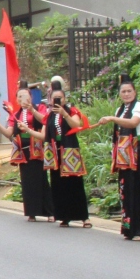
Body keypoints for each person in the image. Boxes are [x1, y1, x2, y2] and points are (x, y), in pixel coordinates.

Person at [98, 75, 140, 240]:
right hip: (124, 155)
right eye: (123, 91)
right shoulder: (120, 109)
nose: (126, 94)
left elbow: (132, 123)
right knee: (126, 189)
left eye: (129, 91)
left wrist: (111, 118)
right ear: (120, 94)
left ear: (135, 92)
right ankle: (131, 229)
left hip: (137, 151)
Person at [0, 89, 53, 221]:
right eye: (19, 97)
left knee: (42, 180)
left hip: (37, 149)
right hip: (23, 151)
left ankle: (48, 211)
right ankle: (31, 212)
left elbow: (45, 120)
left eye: (25, 96)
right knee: (27, 182)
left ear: (30, 97)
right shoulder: (15, 114)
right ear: (17, 100)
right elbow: (9, 133)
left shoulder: (40, 108)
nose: (23, 99)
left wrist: (32, 110)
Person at [44, 81, 91, 228]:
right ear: (51, 100)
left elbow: (76, 125)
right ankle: (64, 216)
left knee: (75, 184)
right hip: (55, 152)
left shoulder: (72, 111)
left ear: (64, 99)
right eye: (54, 98)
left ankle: (84, 217)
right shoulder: (50, 115)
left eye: (60, 98)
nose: (57, 100)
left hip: (69, 151)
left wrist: (64, 114)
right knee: (58, 184)